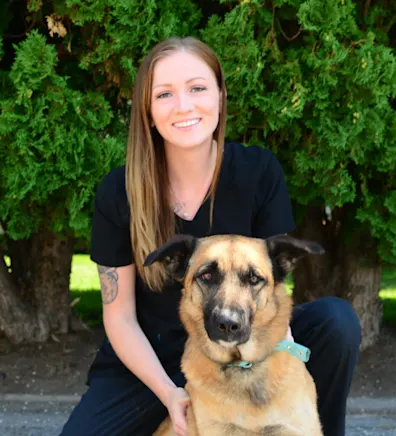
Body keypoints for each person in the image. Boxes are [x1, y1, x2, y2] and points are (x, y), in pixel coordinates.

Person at [60, 37, 361, 436]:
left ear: (220, 95)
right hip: (155, 356)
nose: (183, 106)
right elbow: (119, 318)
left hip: (245, 335)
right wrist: (171, 394)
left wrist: (287, 374)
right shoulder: (120, 192)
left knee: (336, 322)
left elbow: (272, 287)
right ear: (148, 112)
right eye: (165, 94)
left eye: (197, 88)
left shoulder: (258, 171)